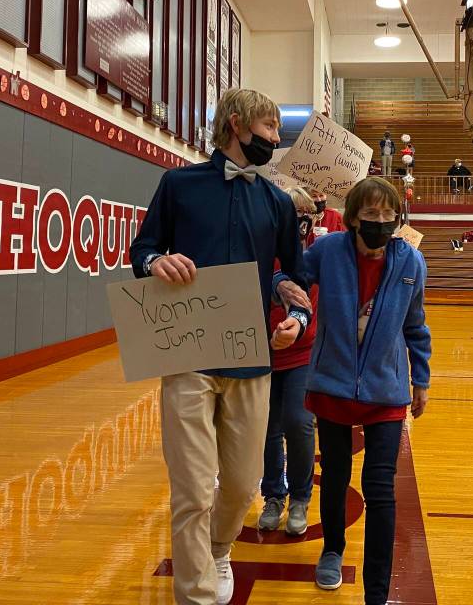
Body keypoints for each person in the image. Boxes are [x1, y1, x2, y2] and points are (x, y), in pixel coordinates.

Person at [129, 88, 310, 605]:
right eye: (270, 129)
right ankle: (197, 595)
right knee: (190, 490)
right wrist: (153, 264)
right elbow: (142, 251)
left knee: (242, 484)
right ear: (237, 124)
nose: (277, 140)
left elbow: (293, 279)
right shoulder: (178, 185)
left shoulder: (276, 202)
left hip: (251, 359)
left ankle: (220, 545)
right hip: (186, 357)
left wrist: (294, 317)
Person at [274, 176, 432, 603]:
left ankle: (376, 592)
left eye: (388, 215)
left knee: (381, 490)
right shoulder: (327, 251)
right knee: (338, 477)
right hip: (332, 387)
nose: (380, 223)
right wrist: (289, 302)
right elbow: (293, 281)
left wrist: (421, 379)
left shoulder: (410, 264)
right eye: (371, 215)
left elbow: (416, 327)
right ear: (353, 219)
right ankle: (331, 550)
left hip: (386, 392)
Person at [259, 188, 320, 537]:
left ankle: (299, 497)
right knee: (268, 429)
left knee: (299, 423)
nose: (297, 217)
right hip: (262, 352)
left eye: (303, 212)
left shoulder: (316, 250)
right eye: (291, 211)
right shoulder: (262, 249)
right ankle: (272, 495)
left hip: (302, 353)